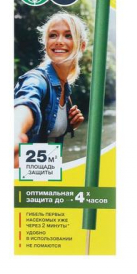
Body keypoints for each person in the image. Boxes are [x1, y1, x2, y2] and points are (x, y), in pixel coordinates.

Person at [14, 12, 87, 168]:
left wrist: (68, 125)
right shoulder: (36, 79)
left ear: (82, 46)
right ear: (46, 43)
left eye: (68, 36)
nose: (59, 41)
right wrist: (15, 132)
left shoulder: (64, 87)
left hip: (43, 173)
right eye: (53, 35)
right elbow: (27, 101)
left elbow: (49, 130)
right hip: (22, 174)